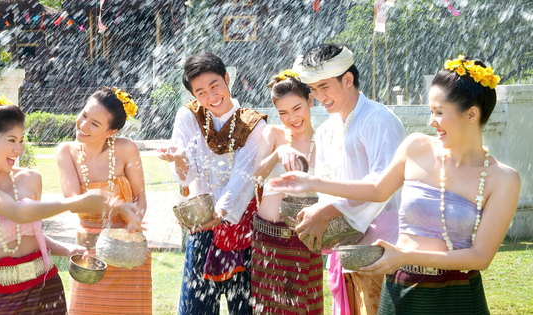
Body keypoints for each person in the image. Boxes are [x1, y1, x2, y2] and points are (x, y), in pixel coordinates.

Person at [268, 56, 518, 314]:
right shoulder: (416, 147)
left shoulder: (503, 179)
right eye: (431, 111)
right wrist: (313, 181)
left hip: (458, 293)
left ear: (472, 114)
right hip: (400, 288)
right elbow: (377, 189)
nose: (431, 122)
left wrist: (404, 256)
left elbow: (480, 257)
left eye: (439, 113)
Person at [0, 97, 138, 314]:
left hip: (45, 285)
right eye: (11, 141)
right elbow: (17, 213)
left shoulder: (30, 178)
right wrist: (78, 201)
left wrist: (66, 249)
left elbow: (32, 231)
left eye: (21, 141)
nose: (18, 149)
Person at [290, 43, 406, 314]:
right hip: (347, 246)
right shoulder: (327, 129)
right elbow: (328, 187)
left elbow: (383, 185)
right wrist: (318, 213)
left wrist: (328, 210)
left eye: (325, 87)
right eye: (314, 89)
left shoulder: (378, 119)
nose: (319, 96)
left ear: (348, 79)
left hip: (384, 244)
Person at [158, 53, 267, 315]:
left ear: (228, 79)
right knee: (196, 306)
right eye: (201, 92)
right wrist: (180, 158)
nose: (211, 96)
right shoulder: (189, 116)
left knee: (245, 306)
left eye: (215, 85)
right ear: (194, 95)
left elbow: (243, 176)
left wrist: (220, 215)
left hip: (240, 223)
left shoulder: (252, 123)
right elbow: (186, 176)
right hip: (203, 221)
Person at [56, 87, 152, 314]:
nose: (83, 125)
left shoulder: (126, 148)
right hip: (89, 256)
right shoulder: (66, 152)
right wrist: (117, 205)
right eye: (84, 114)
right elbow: (73, 202)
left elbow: (140, 196)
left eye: (95, 124)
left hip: (127, 249)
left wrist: (133, 222)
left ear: (111, 132)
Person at [250, 69, 324, 314]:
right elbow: (256, 175)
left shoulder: (324, 140)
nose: (292, 118)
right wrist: (278, 153)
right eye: (283, 112)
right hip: (267, 237)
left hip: (304, 238)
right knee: (267, 309)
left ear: (310, 101)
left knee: (304, 307)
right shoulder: (273, 134)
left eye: (297, 108)